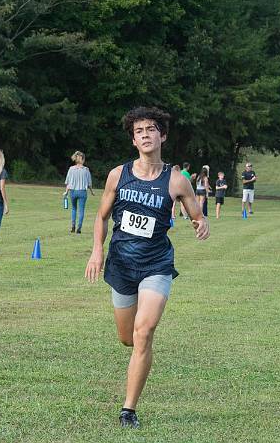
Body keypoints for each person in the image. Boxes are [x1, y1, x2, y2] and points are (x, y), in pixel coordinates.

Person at [85, 107, 209, 429]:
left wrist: (201, 223)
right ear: (133, 139)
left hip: (157, 263)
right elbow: (100, 217)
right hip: (122, 264)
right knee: (127, 338)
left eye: (151, 129)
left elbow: (196, 213)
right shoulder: (117, 175)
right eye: (139, 131)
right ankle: (140, 348)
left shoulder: (177, 180)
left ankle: (128, 410)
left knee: (144, 332)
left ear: (162, 136)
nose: (145, 135)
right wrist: (97, 251)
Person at [64, 151, 95, 234]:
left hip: (73, 192)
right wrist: (92, 192)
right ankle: (79, 229)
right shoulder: (86, 170)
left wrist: (66, 192)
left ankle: (73, 226)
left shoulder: (71, 169)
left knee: (74, 209)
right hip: (82, 192)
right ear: (82, 159)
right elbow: (89, 184)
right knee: (81, 210)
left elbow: (68, 182)